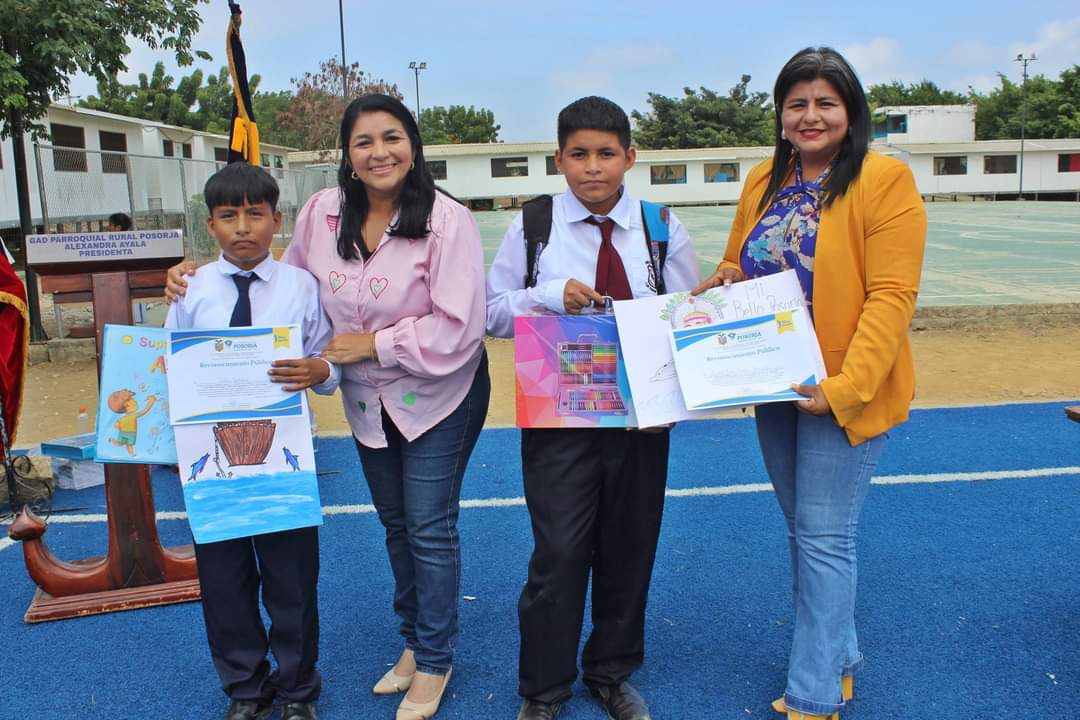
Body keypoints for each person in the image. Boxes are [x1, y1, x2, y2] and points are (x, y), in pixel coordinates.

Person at [168, 94, 490, 720]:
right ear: (347, 152)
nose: (379, 152)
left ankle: (434, 658)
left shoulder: (448, 220)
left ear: (413, 145)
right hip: (367, 399)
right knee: (396, 526)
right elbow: (284, 294)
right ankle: (413, 641)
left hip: (438, 393)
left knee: (429, 527)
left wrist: (375, 343)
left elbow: (461, 327)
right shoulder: (322, 212)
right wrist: (197, 276)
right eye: (364, 141)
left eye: (392, 137)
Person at [693, 47, 927, 720]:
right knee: (805, 532)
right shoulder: (765, 178)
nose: (810, 115)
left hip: (840, 388)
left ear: (851, 111)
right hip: (775, 380)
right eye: (796, 103)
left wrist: (844, 388)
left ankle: (815, 693)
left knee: (825, 537)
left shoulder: (884, 180)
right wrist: (728, 277)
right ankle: (840, 659)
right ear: (780, 114)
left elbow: (891, 297)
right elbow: (741, 259)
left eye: (826, 102)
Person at [486, 96, 700, 720]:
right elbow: (491, 313)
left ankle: (611, 671)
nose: (593, 167)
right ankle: (544, 687)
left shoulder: (662, 228)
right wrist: (549, 295)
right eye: (578, 154)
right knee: (558, 554)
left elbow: (685, 318)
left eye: (606, 153)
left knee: (630, 548)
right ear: (559, 159)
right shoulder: (534, 225)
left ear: (630, 157)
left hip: (641, 418)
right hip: (560, 418)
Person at [164, 161, 339, 720]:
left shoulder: (301, 286)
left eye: (255, 214)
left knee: (292, 580)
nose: (243, 227)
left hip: (284, 459)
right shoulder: (189, 289)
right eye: (228, 216)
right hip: (210, 461)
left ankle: (298, 690)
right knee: (224, 581)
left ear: (276, 221)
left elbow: (328, 361)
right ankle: (245, 689)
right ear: (210, 225)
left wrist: (320, 370)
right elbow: (168, 365)